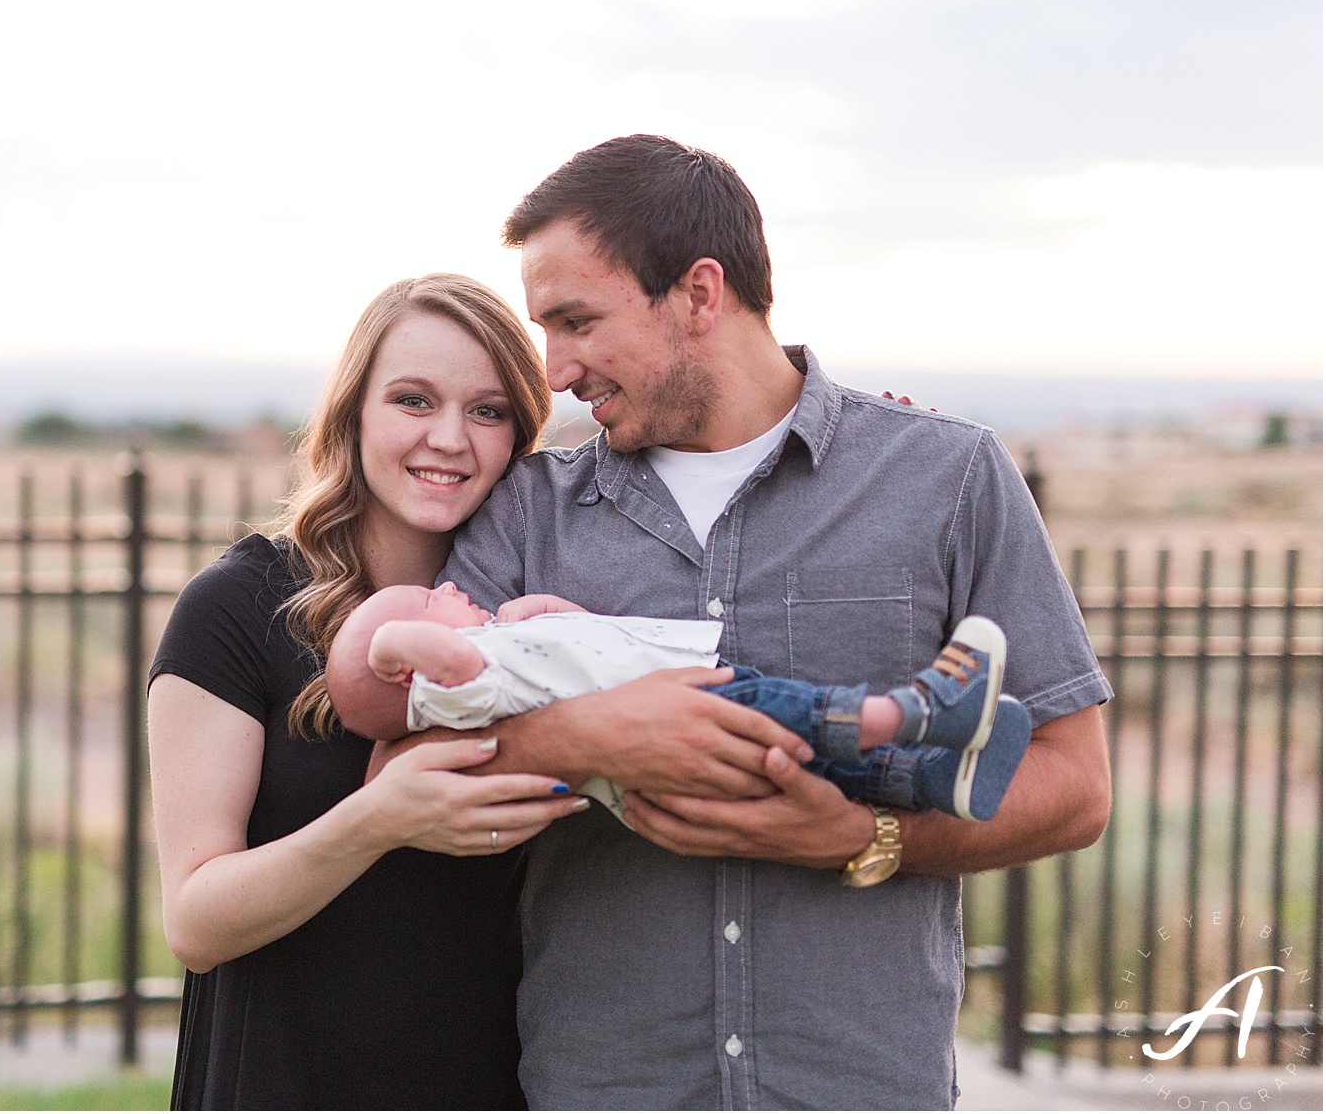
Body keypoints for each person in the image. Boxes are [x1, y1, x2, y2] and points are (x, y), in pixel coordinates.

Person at [401, 136, 1113, 1109]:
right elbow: (399, 771)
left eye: (576, 320)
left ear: (700, 292)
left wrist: (864, 835)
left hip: (863, 1085)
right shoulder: (529, 508)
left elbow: (1074, 785)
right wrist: (586, 734)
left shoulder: (945, 479)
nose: (554, 370)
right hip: (608, 1085)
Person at [145, 274, 594, 1109]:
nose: (450, 439)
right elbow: (194, 923)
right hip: (284, 1082)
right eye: (413, 401)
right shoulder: (235, 610)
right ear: (353, 413)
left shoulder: (528, 615)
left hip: (490, 1082)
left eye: (488, 411)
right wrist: (377, 819)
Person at [328, 581, 1032, 824]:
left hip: (673, 756)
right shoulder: (459, 682)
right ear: (405, 673)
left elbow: (590, 648)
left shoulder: (495, 666)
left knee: (808, 765)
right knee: (796, 711)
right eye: (428, 601)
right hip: (698, 702)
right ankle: (921, 712)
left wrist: (550, 611)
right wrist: (388, 636)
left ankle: (924, 780)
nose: (447, 592)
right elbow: (438, 657)